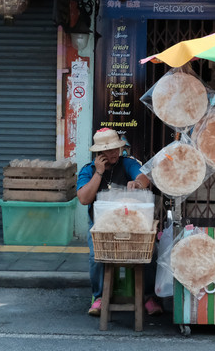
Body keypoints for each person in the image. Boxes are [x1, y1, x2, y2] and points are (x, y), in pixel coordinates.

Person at [76, 128, 161, 317]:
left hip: (133, 221)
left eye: (116, 148)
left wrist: (137, 184)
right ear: (99, 154)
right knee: (95, 256)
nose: (114, 153)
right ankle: (98, 296)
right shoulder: (87, 170)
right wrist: (98, 174)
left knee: (151, 251)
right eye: (109, 150)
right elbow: (84, 198)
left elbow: (143, 176)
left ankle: (149, 296)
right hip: (102, 224)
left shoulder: (127, 163)